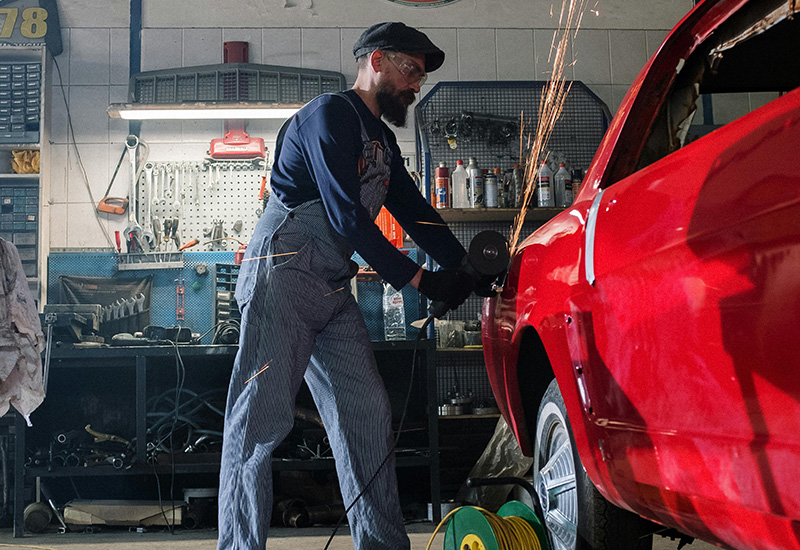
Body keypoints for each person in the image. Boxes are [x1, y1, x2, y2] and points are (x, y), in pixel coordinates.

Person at [217, 22, 473, 550]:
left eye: (421, 77)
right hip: (283, 276)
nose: (415, 84)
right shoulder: (329, 114)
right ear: (376, 60)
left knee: (366, 413)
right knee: (259, 423)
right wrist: (421, 279)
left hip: (331, 286)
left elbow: (416, 214)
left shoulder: (382, 141)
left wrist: (466, 268)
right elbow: (346, 218)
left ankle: (382, 545)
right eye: (410, 70)